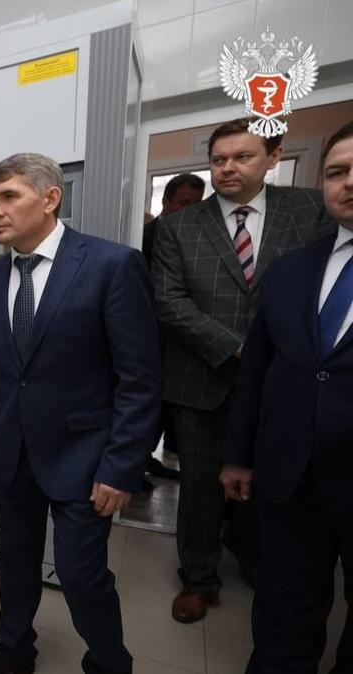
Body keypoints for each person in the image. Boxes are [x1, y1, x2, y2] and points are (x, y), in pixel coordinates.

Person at [0, 153, 161, 674]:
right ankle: (13, 649)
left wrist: (122, 467)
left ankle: (110, 662)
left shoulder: (111, 265)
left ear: (50, 198)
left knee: (80, 574)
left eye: (9, 197)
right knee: (15, 560)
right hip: (11, 454)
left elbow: (139, 381)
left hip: (85, 457)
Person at [150, 118, 331, 623]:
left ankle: (254, 555)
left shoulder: (310, 210)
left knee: (270, 478)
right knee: (199, 486)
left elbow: (322, 284)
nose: (227, 167)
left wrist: (275, 352)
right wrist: (238, 348)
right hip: (202, 378)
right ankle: (198, 578)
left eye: (242, 157)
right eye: (218, 160)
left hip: (283, 380)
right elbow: (168, 300)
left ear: (273, 157)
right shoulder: (178, 226)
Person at [220, 121, 353, 671]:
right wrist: (238, 454)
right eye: (337, 172)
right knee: (285, 604)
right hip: (291, 474)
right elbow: (257, 368)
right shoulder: (292, 270)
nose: (348, 183)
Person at [141, 172, 206, 485]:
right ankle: (134, 467)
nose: (189, 210)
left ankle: (147, 460)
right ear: (165, 201)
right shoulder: (144, 237)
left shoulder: (198, 241)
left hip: (183, 343)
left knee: (166, 411)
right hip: (150, 337)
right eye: (184, 203)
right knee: (147, 407)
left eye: (196, 204)